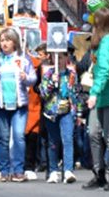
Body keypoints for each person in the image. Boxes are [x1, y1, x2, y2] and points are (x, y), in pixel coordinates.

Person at [84, 7, 109, 191]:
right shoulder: (101, 42)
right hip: (100, 94)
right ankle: (98, 173)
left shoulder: (108, 41)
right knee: (93, 132)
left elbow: (106, 70)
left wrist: (94, 92)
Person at [0, 27, 36, 182]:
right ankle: (4, 170)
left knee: (19, 136)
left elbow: (33, 78)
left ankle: (18, 170)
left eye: (8, 40)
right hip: (1, 105)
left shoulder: (23, 59)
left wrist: (25, 78)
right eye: (2, 40)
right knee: (3, 138)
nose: (4, 43)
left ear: (15, 42)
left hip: (19, 105)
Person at [39, 49, 78, 185]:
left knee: (67, 139)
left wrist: (76, 112)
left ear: (66, 58)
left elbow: (74, 93)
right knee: (53, 142)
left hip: (66, 111)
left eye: (61, 57)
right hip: (51, 112)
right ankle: (53, 170)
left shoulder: (71, 74)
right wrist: (51, 82)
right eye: (56, 57)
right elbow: (43, 93)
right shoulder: (48, 74)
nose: (58, 60)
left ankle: (68, 170)